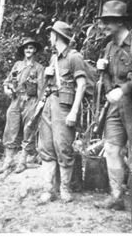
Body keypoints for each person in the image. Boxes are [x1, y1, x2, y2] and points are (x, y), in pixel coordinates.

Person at [94, 0, 132, 210]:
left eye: (108, 21)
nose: (104, 26)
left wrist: (124, 89)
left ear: (120, 22)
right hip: (115, 107)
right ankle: (117, 196)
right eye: (103, 21)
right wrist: (100, 69)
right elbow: (108, 80)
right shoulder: (109, 47)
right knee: (112, 149)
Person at [38, 21, 86, 203]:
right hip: (49, 106)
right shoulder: (53, 59)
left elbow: (81, 86)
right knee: (47, 148)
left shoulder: (74, 57)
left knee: (64, 147)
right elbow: (47, 86)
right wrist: (47, 75)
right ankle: (48, 189)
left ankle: (65, 189)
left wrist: (74, 112)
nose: (50, 38)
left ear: (57, 36)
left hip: (64, 108)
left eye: (51, 34)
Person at [0, 38, 44, 174]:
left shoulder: (39, 68)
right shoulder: (18, 65)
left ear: (35, 50)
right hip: (16, 99)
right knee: (10, 128)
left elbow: (41, 89)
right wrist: (7, 89)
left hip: (31, 101)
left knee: (28, 129)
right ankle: (8, 160)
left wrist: (39, 106)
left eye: (30, 48)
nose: (28, 50)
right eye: (26, 48)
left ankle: (22, 161)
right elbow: (7, 82)